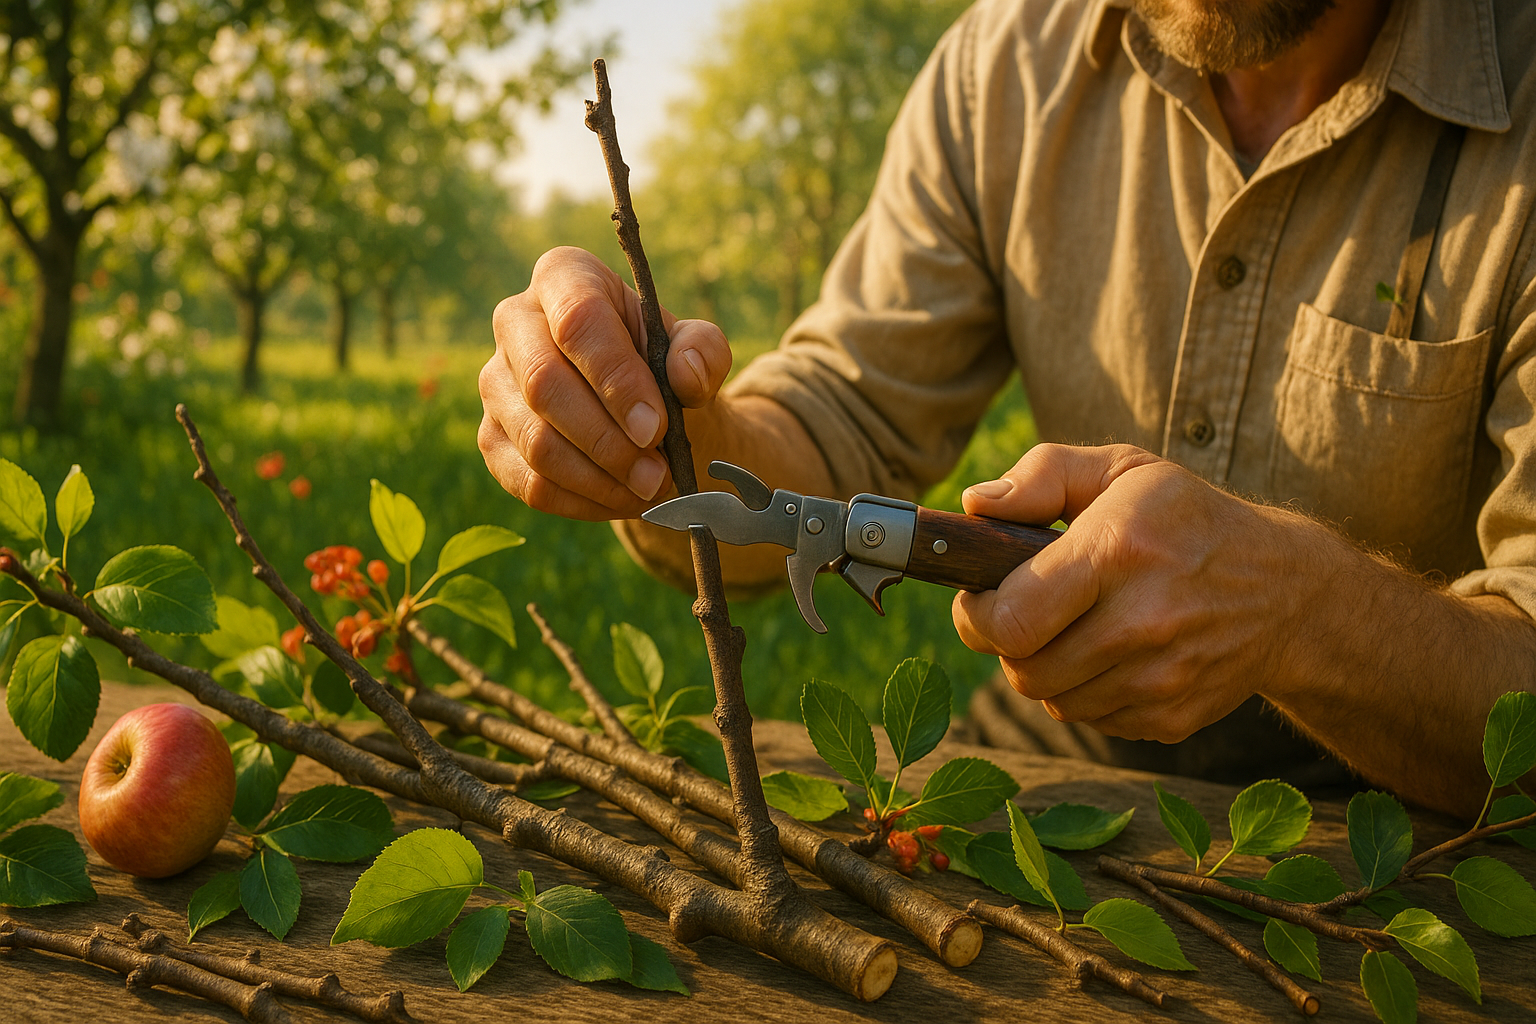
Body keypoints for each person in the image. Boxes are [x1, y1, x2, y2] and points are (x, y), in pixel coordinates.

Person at [477, 0, 1536, 818]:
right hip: (1051, 767)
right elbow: (846, 411)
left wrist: (1304, 614)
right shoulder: (1005, 68)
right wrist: (658, 425)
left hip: (1421, 834)